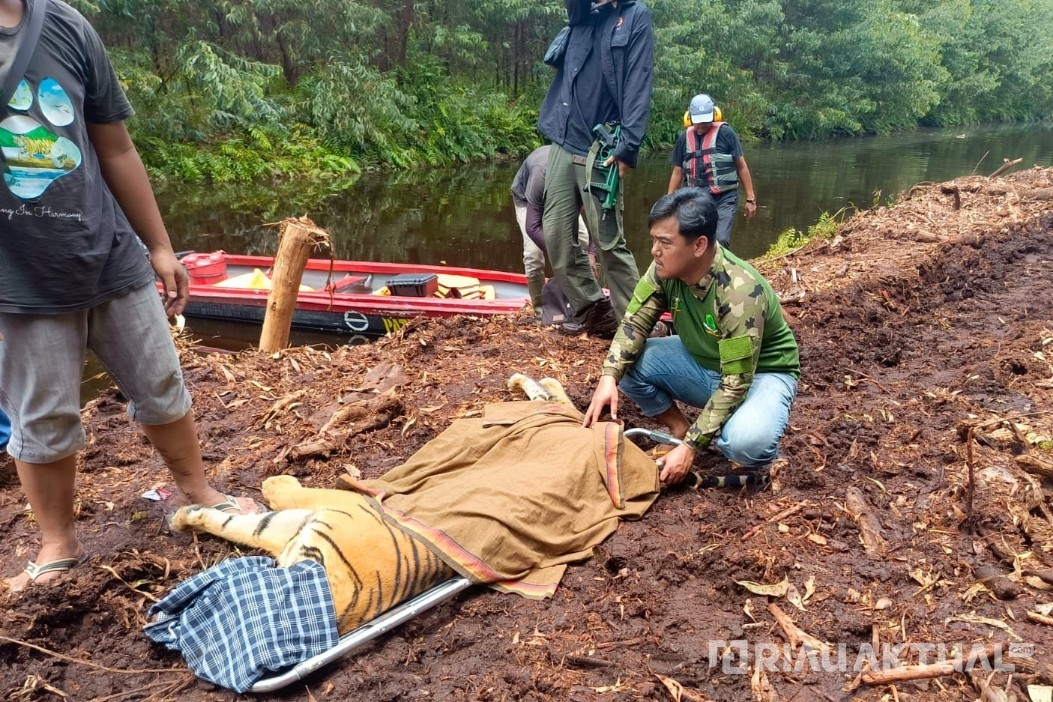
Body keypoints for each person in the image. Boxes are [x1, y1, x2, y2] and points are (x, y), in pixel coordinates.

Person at [0, 0, 260, 592]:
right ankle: (58, 544)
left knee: (161, 380)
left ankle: (197, 491)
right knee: (43, 415)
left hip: (109, 252)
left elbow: (115, 146)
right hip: (20, 277)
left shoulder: (65, 26)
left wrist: (160, 245)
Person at [583, 188, 799, 485]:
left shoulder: (739, 292)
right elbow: (634, 323)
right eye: (654, 240)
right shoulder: (663, 269)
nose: (654, 251)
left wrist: (691, 449)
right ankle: (680, 429)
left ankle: (749, 450)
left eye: (665, 243)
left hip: (760, 375)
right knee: (626, 364)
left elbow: (736, 383)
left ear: (699, 245)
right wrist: (608, 376)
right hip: (703, 362)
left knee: (746, 443)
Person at [537, 0, 654, 337]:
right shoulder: (583, 12)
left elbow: (638, 79)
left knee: (608, 242)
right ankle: (595, 309)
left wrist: (629, 144)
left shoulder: (635, 16)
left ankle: (638, 324)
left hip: (601, 145)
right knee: (557, 236)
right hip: (564, 138)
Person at [510, 145, 594, 317]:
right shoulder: (541, 174)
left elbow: (596, 218)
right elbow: (532, 226)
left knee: (583, 240)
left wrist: (592, 253)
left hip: (563, 197)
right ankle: (541, 311)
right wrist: (560, 254)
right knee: (534, 255)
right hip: (528, 202)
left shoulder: (585, 173)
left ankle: (583, 300)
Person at [667, 94, 757, 248]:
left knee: (720, 241)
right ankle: (698, 271)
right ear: (689, 118)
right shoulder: (684, 138)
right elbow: (677, 172)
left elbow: (741, 166)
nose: (701, 127)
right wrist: (669, 202)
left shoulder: (726, 134)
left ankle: (720, 270)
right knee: (692, 241)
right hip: (695, 198)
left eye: (705, 122)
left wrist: (750, 198)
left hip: (724, 197)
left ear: (715, 116)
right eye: (698, 123)